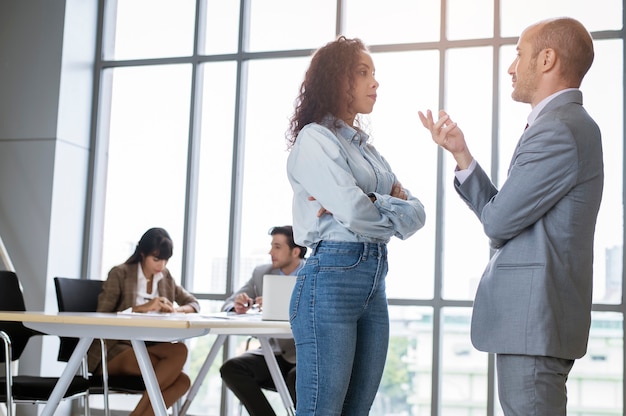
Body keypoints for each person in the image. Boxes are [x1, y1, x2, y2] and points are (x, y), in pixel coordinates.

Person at [419, 17, 603, 416]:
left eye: (519, 54)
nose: (511, 67)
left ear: (548, 59)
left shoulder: (558, 129)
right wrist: (462, 156)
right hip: (537, 324)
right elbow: (507, 214)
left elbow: (499, 222)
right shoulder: (565, 126)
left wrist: (490, 206)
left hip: (534, 324)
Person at [285, 36, 426, 415]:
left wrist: (373, 201)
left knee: (357, 409)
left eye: (374, 73)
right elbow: (354, 209)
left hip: (373, 279)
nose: (375, 82)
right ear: (336, 81)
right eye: (363, 73)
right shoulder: (315, 139)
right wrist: (382, 204)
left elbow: (417, 215)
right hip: (331, 277)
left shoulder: (367, 151)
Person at [87, 227, 200, 416]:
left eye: (165, 260)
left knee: (181, 364)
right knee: (179, 379)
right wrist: (141, 308)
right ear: (142, 253)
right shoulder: (120, 273)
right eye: (156, 259)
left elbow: (193, 304)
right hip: (116, 350)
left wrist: (175, 309)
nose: (161, 265)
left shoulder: (166, 278)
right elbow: (102, 315)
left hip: (149, 347)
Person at [220, 225, 306, 416]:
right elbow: (228, 303)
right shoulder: (261, 273)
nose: (270, 252)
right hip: (272, 352)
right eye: (271, 246)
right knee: (232, 368)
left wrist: (278, 304)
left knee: (297, 377)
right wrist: (238, 306)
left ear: (295, 251)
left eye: (277, 247)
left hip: (303, 354)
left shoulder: (312, 274)